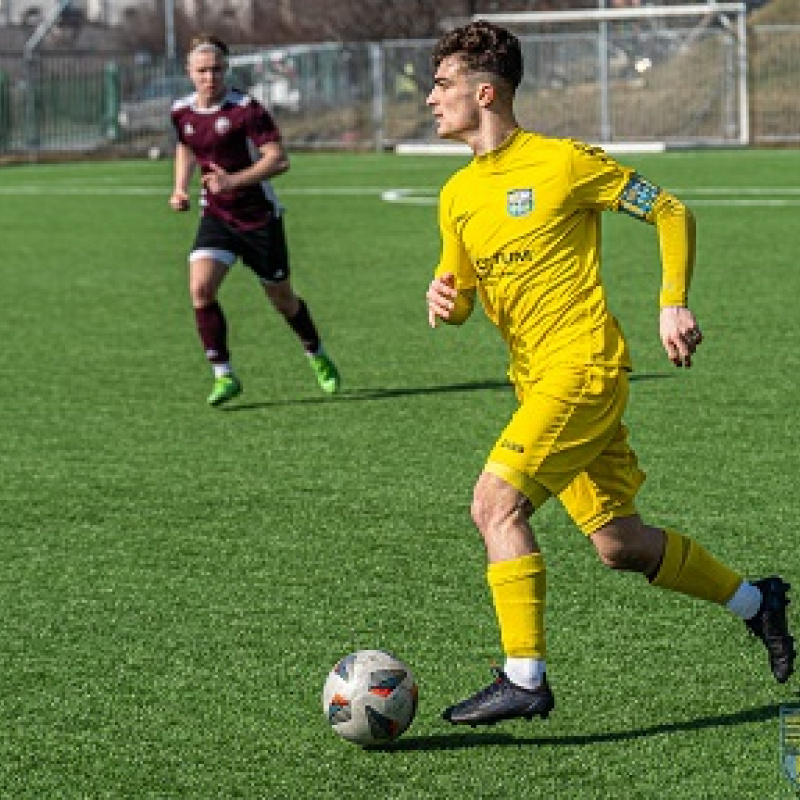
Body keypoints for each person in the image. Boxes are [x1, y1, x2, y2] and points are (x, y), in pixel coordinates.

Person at [425, 20, 794, 727]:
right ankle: (758, 602)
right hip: (537, 382)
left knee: (493, 504)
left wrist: (672, 302)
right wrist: (446, 296)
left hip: (583, 369)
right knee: (619, 544)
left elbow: (669, 210)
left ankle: (522, 675)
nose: (430, 99)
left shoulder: (563, 163)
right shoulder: (456, 196)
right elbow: (464, 293)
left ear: (485, 90)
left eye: (441, 85)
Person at [169, 34, 340, 407]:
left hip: (259, 218)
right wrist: (180, 188)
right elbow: (185, 146)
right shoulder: (181, 112)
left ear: (226, 69)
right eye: (202, 71)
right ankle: (223, 375)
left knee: (282, 299)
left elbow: (278, 159)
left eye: (216, 69)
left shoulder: (247, 110)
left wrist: (233, 181)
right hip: (216, 216)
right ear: (189, 72)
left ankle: (316, 353)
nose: (209, 77)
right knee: (200, 289)